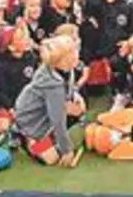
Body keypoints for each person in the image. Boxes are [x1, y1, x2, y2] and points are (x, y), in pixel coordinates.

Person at [12, 35, 84, 166]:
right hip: (30, 122)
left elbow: (68, 88)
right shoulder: (52, 84)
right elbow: (57, 119)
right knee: (52, 159)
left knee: (79, 109)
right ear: (62, 59)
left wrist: (75, 96)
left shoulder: (66, 69)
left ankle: (51, 138)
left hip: (46, 112)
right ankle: (26, 139)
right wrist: (67, 150)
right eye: (72, 52)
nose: (77, 55)